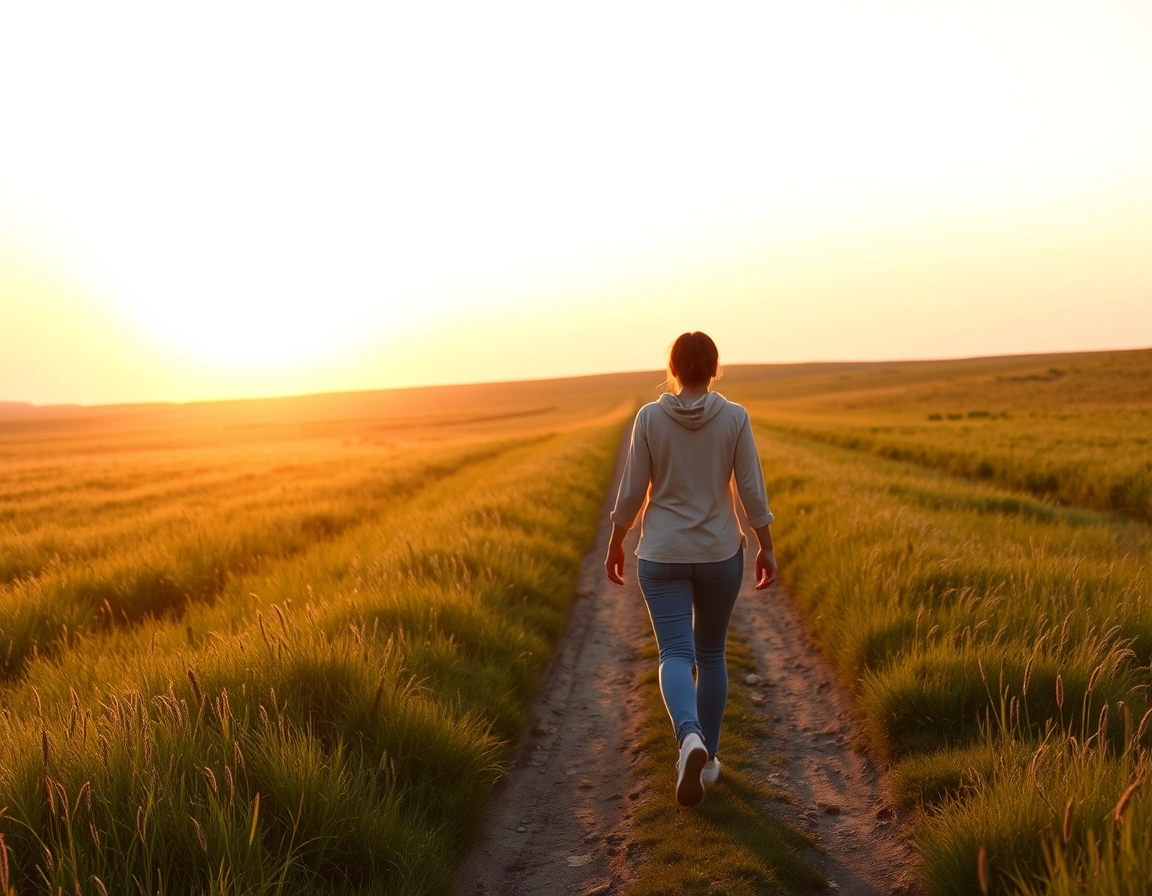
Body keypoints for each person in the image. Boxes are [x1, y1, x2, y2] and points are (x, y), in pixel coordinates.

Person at [605, 331, 776, 807]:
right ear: (715, 369)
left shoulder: (648, 418)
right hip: (721, 553)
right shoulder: (736, 418)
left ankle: (689, 740)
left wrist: (616, 543)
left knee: (675, 653)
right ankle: (710, 759)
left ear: (674, 370)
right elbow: (751, 492)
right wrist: (766, 547)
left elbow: (632, 492)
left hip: (661, 554)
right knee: (713, 654)